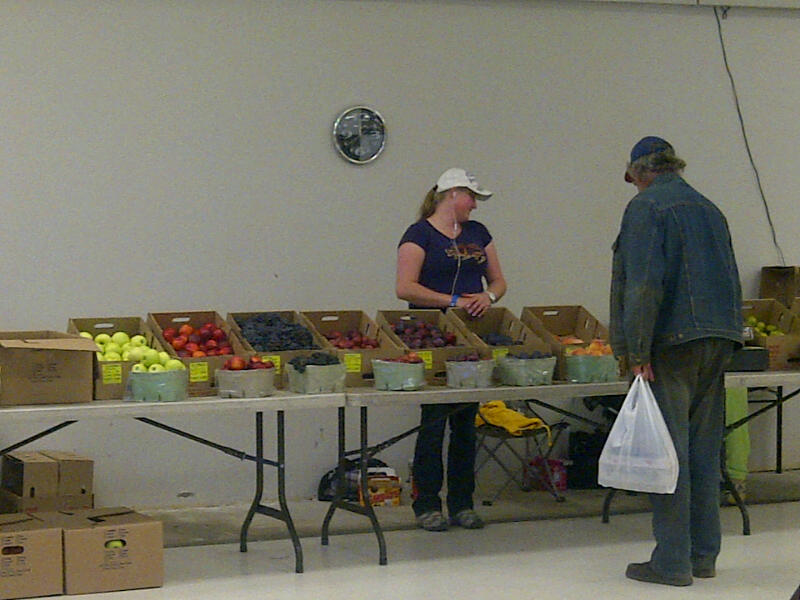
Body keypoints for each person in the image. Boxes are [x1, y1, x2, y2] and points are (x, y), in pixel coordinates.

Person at [610, 137, 743, 586]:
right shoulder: (710, 208)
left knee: (666, 455)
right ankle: (704, 555)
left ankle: (671, 562)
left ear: (639, 172)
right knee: (704, 453)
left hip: (671, 344)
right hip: (719, 338)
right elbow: (729, 278)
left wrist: (637, 351)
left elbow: (644, 284)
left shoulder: (646, 208)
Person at [396, 167, 507, 532]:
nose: (474, 205)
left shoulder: (479, 233)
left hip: (470, 341)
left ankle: (462, 503)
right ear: (453, 194)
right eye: (472, 197)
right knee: (433, 422)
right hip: (431, 338)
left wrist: (487, 297)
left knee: (465, 424)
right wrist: (454, 301)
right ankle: (427, 504)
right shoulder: (418, 235)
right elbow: (405, 287)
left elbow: (499, 281)